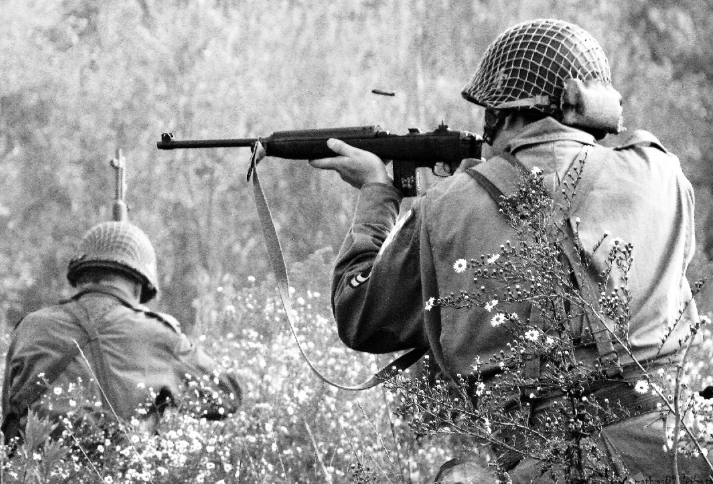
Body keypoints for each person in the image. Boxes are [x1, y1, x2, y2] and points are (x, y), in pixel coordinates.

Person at [310, 18, 710, 482]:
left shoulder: (447, 206)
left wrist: (376, 192)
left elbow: (359, 316)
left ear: (500, 115)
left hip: (548, 464)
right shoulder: (661, 174)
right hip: (682, 450)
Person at [2, 220, 242, 444]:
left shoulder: (30, 327)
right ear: (139, 286)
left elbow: (8, 416)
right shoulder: (157, 333)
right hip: (121, 468)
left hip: (34, 469)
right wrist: (165, 396)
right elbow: (227, 396)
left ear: (81, 277)